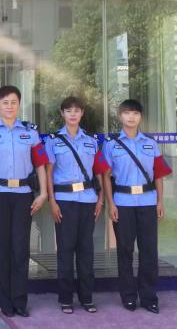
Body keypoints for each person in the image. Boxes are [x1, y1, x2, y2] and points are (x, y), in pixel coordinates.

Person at [0, 85, 49, 317]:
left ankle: (20, 301)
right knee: (2, 248)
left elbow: (40, 164)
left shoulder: (30, 133)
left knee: (20, 249)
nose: (9, 106)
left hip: (23, 194)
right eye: (5, 102)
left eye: (14, 102)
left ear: (19, 104)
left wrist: (43, 193)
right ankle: (5, 301)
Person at [100, 99, 172, 314]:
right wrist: (110, 203)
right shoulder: (111, 145)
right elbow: (105, 177)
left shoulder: (150, 143)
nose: (131, 117)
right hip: (123, 202)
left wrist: (160, 201)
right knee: (125, 250)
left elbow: (158, 175)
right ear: (120, 117)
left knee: (149, 250)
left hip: (148, 202)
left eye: (135, 113)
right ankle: (128, 296)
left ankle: (149, 297)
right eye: (127, 113)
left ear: (140, 117)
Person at [44, 96, 108, 315]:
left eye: (77, 110)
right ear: (62, 114)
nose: (73, 114)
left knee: (86, 250)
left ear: (82, 114)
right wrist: (52, 201)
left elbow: (99, 172)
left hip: (88, 200)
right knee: (65, 250)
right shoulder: (53, 141)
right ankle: (66, 299)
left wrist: (100, 199)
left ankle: (87, 297)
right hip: (64, 200)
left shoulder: (91, 141)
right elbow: (48, 173)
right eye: (68, 110)